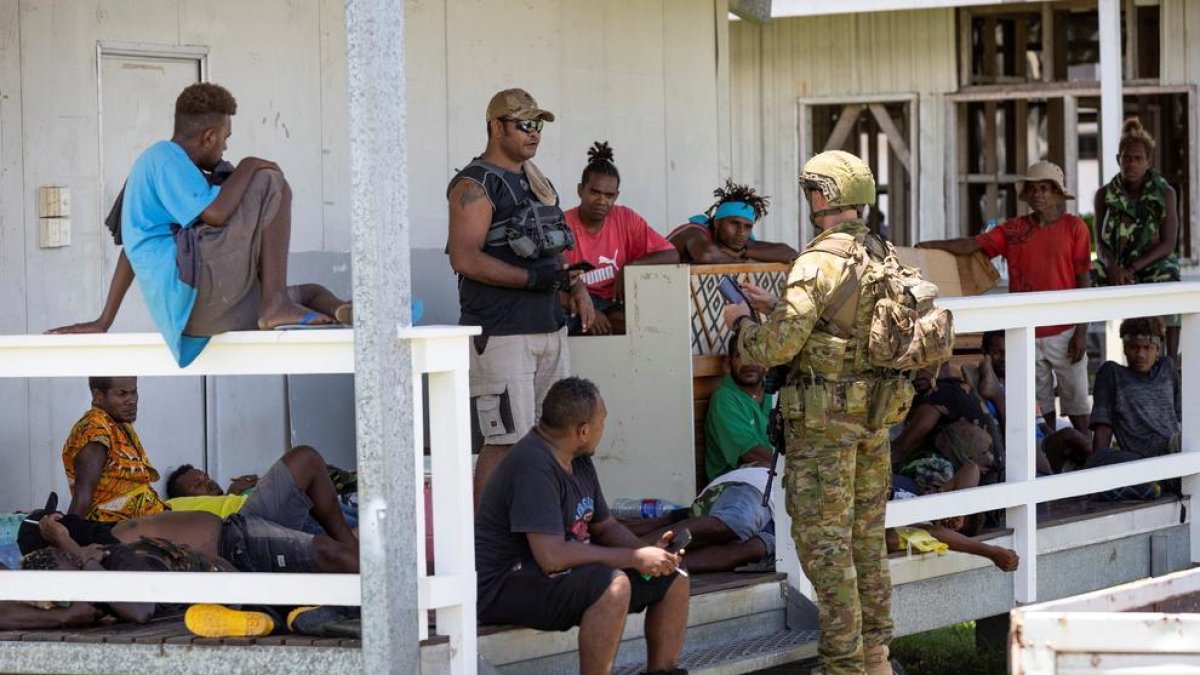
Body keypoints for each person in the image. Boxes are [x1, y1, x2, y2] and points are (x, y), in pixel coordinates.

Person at [726, 150, 906, 675]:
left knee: (827, 550)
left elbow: (778, 347)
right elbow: (843, 325)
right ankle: (876, 657)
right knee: (866, 540)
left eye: (811, 191)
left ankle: (843, 666)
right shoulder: (881, 253)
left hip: (824, 427)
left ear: (824, 196)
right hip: (873, 418)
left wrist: (742, 324)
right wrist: (776, 304)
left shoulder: (817, 260)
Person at [47, 83, 352, 367]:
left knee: (311, 293)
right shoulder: (165, 157)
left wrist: (104, 320)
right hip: (195, 292)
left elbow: (131, 249)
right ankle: (275, 304)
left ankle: (340, 310)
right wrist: (248, 164)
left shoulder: (157, 169)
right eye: (225, 139)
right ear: (209, 137)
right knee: (271, 181)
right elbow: (216, 213)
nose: (225, 148)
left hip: (192, 314)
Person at [475, 377, 689, 675]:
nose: (604, 429)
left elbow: (606, 526)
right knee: (614, 586)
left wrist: (649, 555)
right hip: (504, 586)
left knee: (674, 576)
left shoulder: (578, 457)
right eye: (602, 421)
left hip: (553, 575)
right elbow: (551, 557)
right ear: (583, 431)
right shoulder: (532, 466)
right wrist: (632, 558)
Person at [445, 88, 591, 505]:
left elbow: (554, 246)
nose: (534, 133)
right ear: (496, 127)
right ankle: (485, 538)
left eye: (538, 124)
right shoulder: (475, 184)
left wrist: (576, 287)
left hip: (549, 327)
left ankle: (546, 528)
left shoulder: (536, 179)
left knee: (559, 437)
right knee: (507, 440)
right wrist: (530, 279)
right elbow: (464, 258)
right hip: (503, 332)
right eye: (524, 124)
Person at [920, 161, 1093, 432]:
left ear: (1057, 193)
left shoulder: (1075, 227)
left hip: (1066, 331)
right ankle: (1046, 454)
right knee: (1039, 407)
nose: (1037, 194)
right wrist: (930, 245)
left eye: (1044, 188)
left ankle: (1091, 455)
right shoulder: (1014, 229)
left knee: (1078, 406)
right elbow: (973, 244)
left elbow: (1084, 280)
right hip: (1026, 331)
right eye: (1032, 189)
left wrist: (1082, 331)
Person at [563, 142, 679, 335]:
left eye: (609, 195)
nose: (602, 201)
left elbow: (671, 255)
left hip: (614, 303)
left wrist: (631, 266)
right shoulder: (561, 224)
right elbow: (547, 286)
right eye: (595, 192)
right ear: (580, 190)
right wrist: (589, 311)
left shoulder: (625, 218)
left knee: (648, 324)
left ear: (616, 196)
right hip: (575, 301)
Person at [1094, 118, 1182, 358]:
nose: (1131, 164)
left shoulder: (1165, 193)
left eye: (1138, 158)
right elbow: (1099, 243)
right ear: (1118, 159)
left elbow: (1169, 243)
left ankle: (1170, 361)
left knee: (1169, 274)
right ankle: (1079, 339)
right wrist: (1113, 267)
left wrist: (1132, 269)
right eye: (1126, 158)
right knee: (1085, 274)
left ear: (1148, 161)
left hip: (1151, 264)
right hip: (1117, 266)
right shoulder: (1104, 195)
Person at [165, 445, 359, 534]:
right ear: (187, 499)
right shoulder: (175, 509)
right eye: (197, 484)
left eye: (205, 476)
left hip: (308, 506)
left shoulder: (236, 493)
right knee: (305, 459)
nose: (207, 482)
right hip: (263, 522)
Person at [1086, 316, 1181, 497]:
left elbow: (1182, 415)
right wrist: (1097, 467)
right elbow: (1103, 428)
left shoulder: (1167, 368)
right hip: (1141, 458)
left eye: (1147, 348)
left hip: (1175, 449)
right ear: (1125, 348)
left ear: (1157, 349)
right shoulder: (1112, 373)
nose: (1140, 355)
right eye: (1134, 347)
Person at [62, 377, 168, 522]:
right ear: (98, 396)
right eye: (122, 394)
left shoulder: (118, 424)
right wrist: (66, 531)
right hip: (119, 528)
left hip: (148, 521)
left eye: (134, 392)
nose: (132, 400)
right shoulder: (95, 428)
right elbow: (82, 498)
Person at [667, 180, 797, 264]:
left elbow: (790, 254)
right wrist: (742, 260)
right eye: (734, 223)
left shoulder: (736, 242)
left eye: (748, 227)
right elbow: (707, 255)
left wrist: (744, 252)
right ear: (717, 223)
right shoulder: (693, 231)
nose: (741, 232)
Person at [704, 334, 775, 481]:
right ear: (728, 363)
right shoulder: (724, 399)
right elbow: (752, 454)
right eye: (740, 355)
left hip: (774, 474)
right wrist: (793, 466)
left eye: (754, 354)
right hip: (734, 483)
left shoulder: (774, 391)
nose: (748, 362)